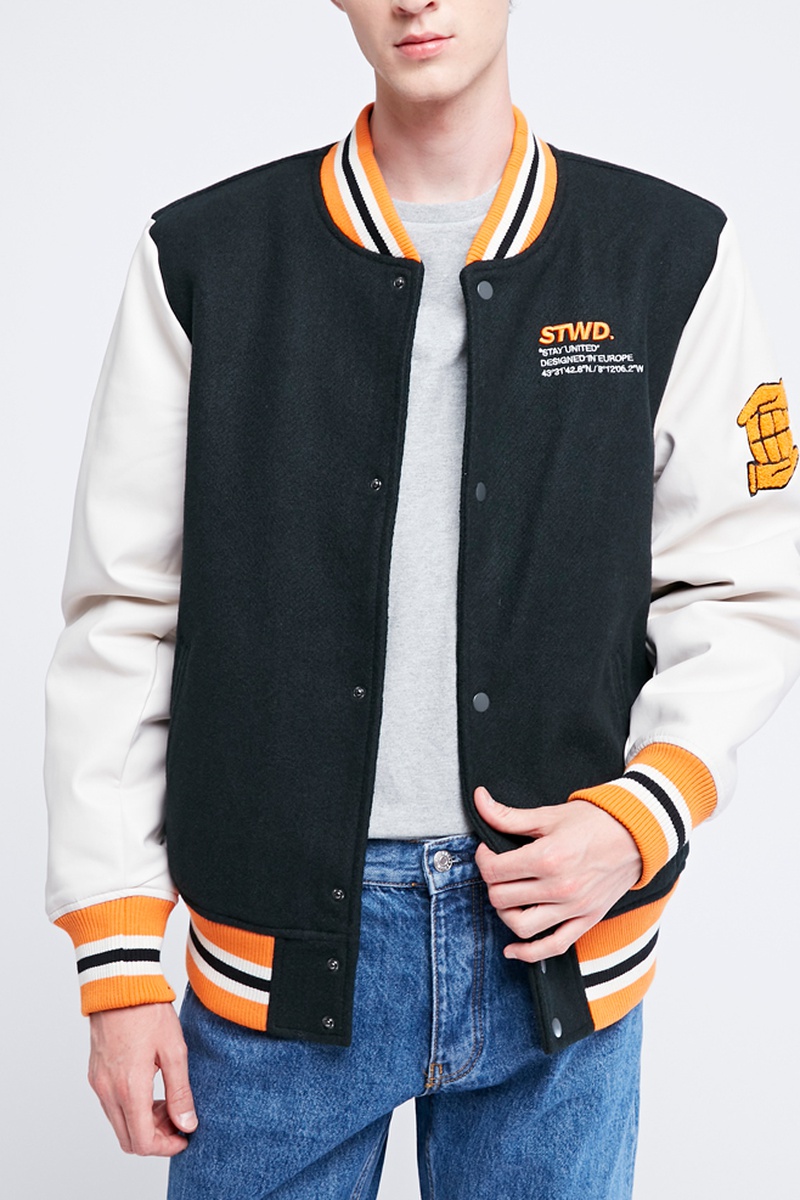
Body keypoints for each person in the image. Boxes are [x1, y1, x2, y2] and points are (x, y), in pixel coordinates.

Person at [44, 1, 800, 1197]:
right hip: (274, 958)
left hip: (561, 948)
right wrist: (119, 962)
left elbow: (745, 576)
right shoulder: (204, 257)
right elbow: (125, 616)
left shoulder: (665, 252)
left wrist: (639, 816)